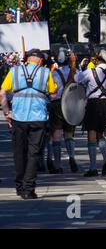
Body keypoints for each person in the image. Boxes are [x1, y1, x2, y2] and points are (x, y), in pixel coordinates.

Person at [0, 49, 57, 199]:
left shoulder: (14, 71)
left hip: (18, 117)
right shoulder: (45, 72)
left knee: (19, 152)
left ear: (28, 59)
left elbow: (2, 93)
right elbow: (54, 93)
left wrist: (7, 113)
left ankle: (19, 186)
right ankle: (29, 189)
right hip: (38, 117)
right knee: (34, 153)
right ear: (39, 60)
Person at [76, 50, 106, 177]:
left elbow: (76, 79)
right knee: (100, 133)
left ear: (97, 60)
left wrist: (76, 65)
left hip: (94, 103)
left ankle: (93, 167)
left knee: (92, 134)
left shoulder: (91, 71)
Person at [48, 48, 79, 173]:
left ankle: (58, 164)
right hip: (70, 103)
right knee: (69, 134)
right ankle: (72, 157)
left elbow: (51, 91)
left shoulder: (54, 73)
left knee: (56, 134)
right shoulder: (74, 72)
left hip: (57, 104)